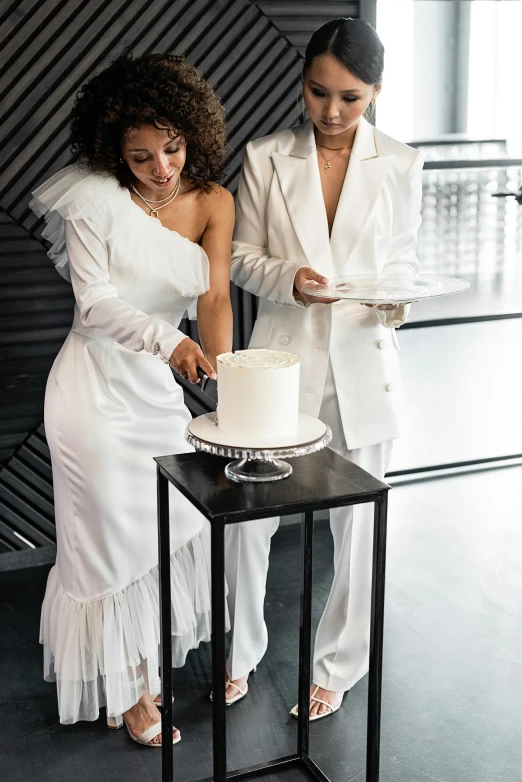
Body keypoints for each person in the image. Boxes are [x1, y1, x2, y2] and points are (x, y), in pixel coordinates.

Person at [30, 51, 234, 745]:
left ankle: (140, 677)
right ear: (114, 149)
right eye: (142, 156)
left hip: (153, 397)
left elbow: (212, 300)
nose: (161, 168)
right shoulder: (93, 200)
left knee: (165, 530)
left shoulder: (213, 203)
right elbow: (94, 307)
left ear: (192, 136)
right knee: (107, 548)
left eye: (172, 149)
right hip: (91, 394)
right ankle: (133, 693)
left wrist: (228, 380)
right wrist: (166, 341)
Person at [224, 18, 423, 720]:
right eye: (317, 93)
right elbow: (242, 259)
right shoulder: (265, 156)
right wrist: (291, 277)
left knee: (360, 528)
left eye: (351, 99)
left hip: (366, 365)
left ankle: (339, 666)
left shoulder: (401, 164)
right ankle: (238, 652)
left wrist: (395, 300)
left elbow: (401, 266)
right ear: (302, 78)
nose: (331, 113)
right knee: (248, 519)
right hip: (283, 362)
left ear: (375, 93)